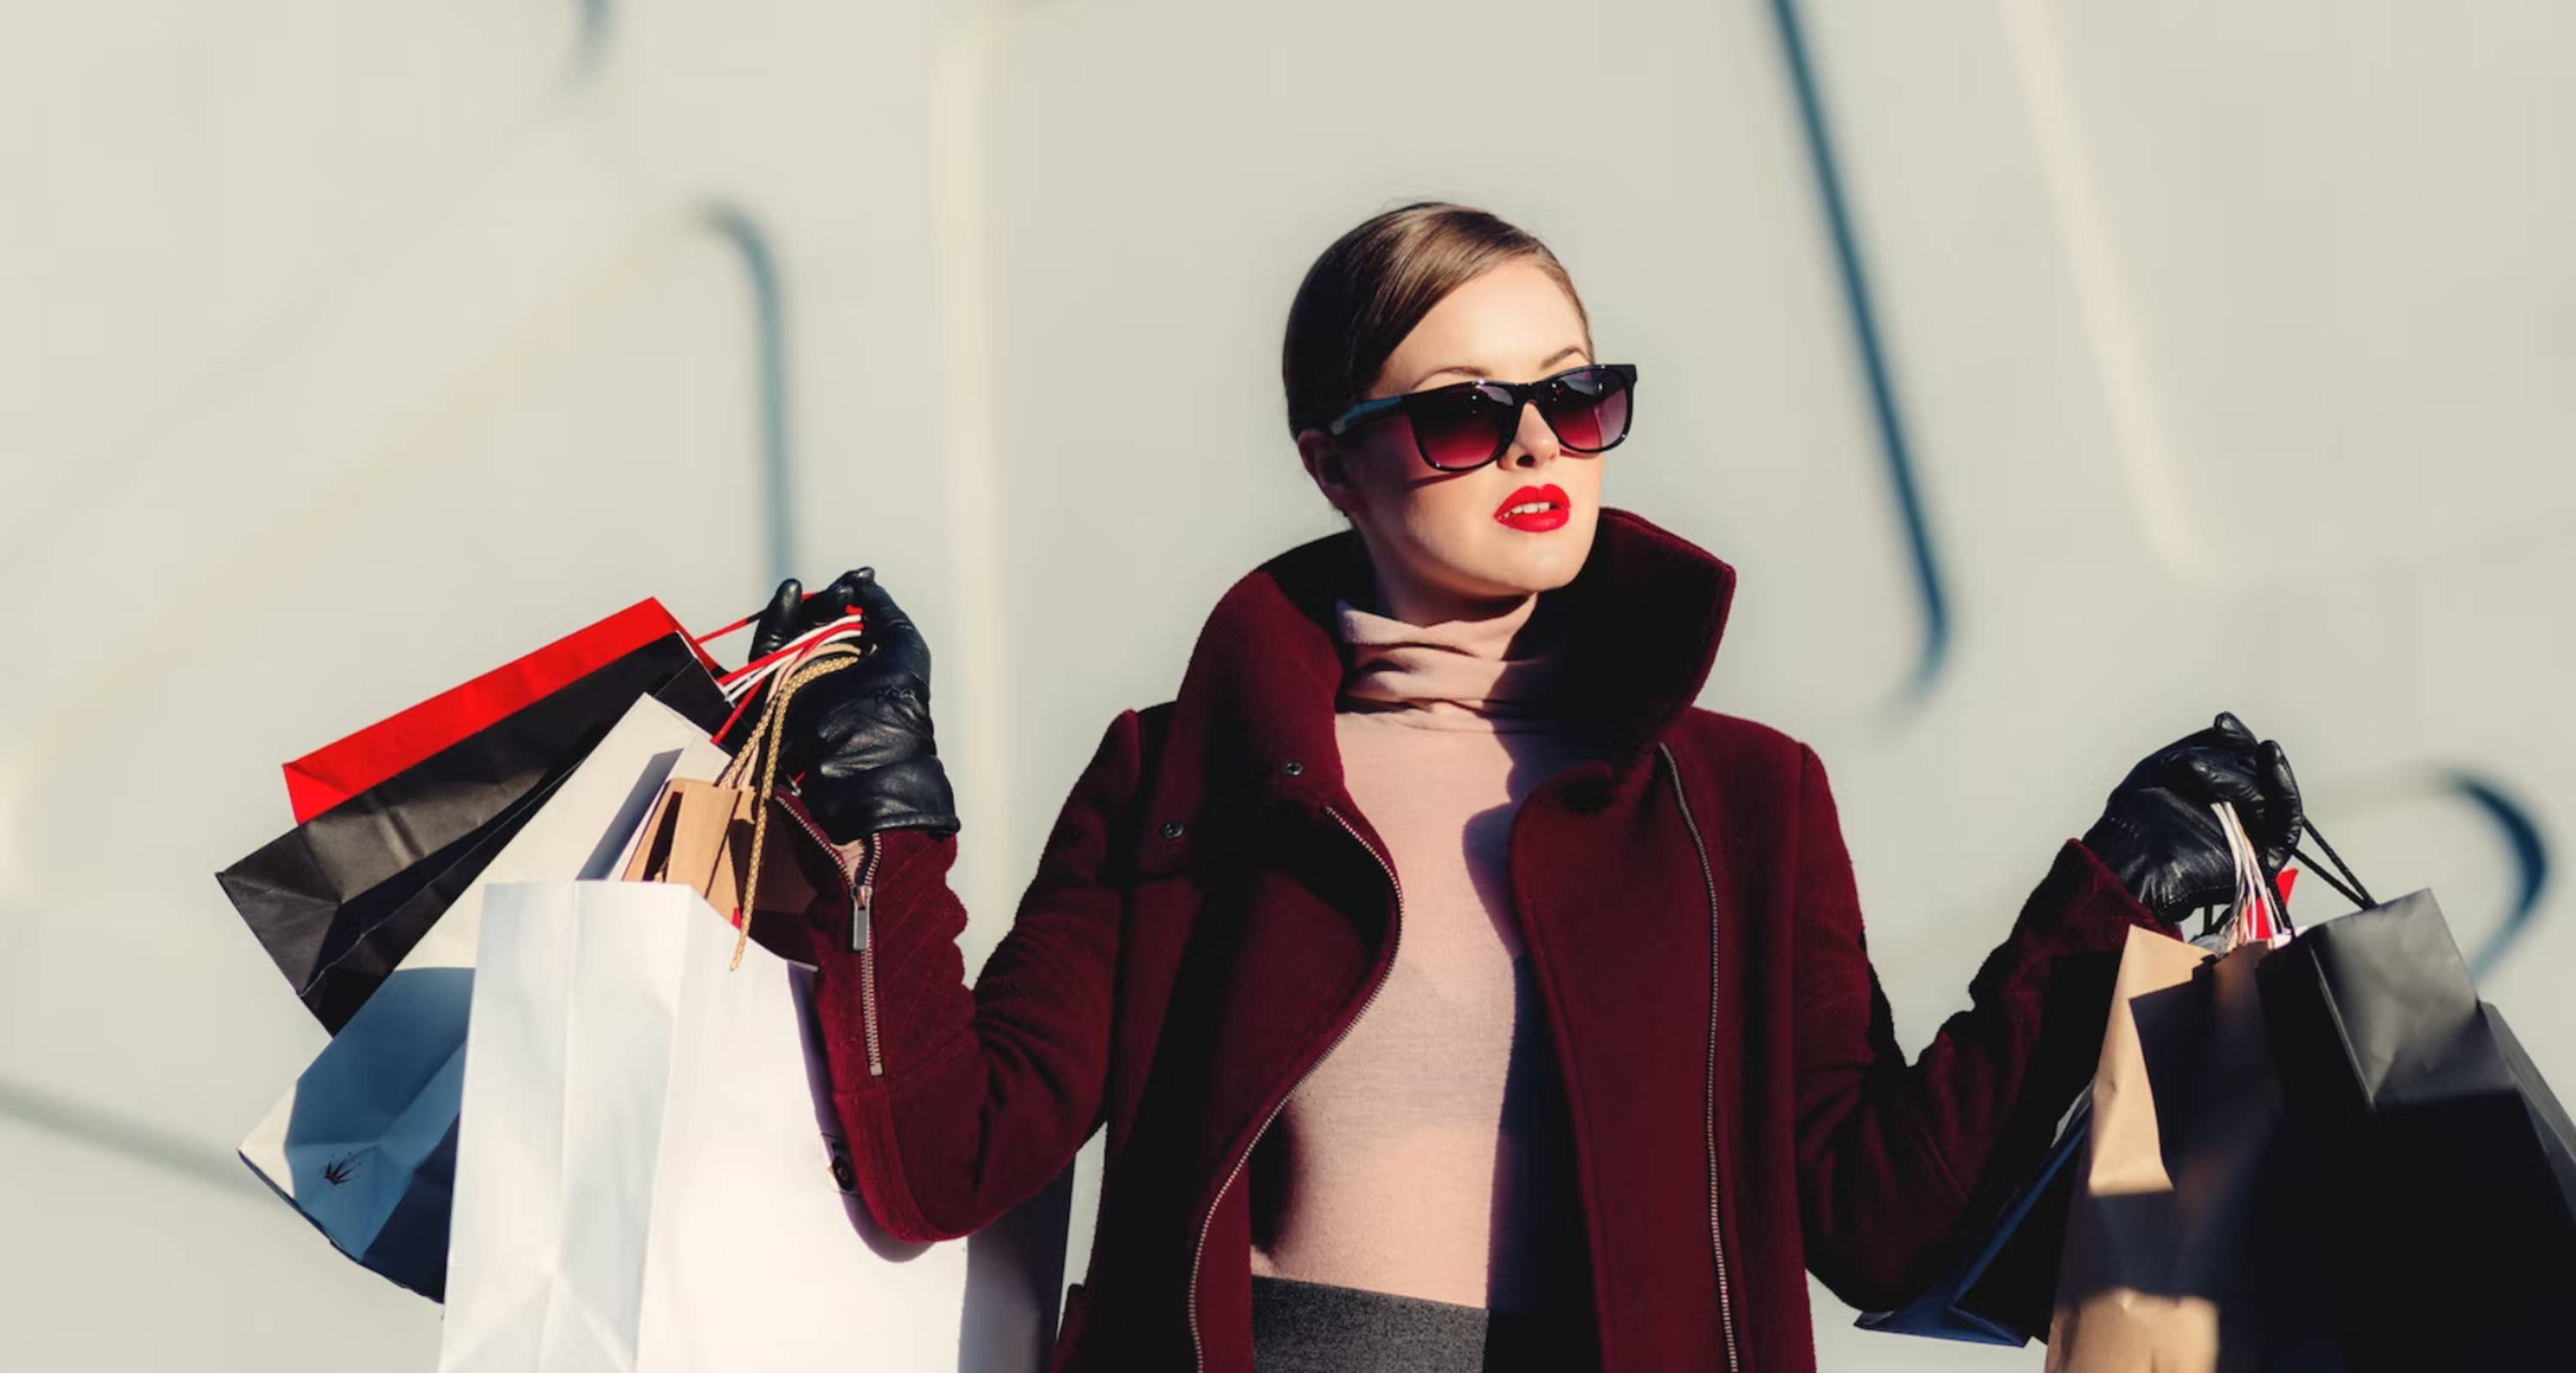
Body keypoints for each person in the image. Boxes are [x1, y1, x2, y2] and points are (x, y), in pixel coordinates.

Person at [744, 202, 2304, 1373]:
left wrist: (2105, 906)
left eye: (1577, 396)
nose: (1535, 446)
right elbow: (950, 1153)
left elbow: (1876, 1219)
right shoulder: (1187, 773)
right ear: (1331, 463)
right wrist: (886, 817)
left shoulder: (1744, 802)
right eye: (1459, 415)